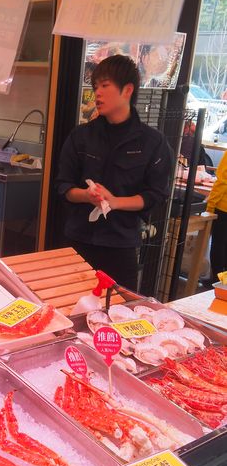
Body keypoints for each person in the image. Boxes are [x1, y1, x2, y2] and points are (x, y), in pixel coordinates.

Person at [56, 54, 172, 291]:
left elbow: (155, 195)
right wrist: (87, 196)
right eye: (96, 86)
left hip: (121, 245)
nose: (97, 93)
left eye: (105, 86)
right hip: (78, 241)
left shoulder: (153, 142)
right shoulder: (81, 136)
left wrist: (116, 202)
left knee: (120, 310)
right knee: (69, 306)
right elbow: (63, 186)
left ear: (127, 90)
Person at [206, 150, 227, 281]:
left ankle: (216, 280)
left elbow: (222, 182)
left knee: (218, 244)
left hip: (224, 207)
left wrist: (210, 205)